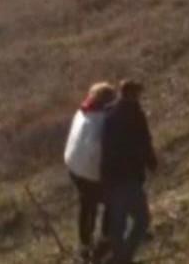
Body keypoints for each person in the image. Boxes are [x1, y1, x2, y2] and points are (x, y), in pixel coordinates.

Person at [101, 80, 158, 264]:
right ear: (132, 94)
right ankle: (123, 258)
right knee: (142, 219)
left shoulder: (108, 114)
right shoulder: (135, 114)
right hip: (129, 175)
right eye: (138, 94)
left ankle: (119, 256)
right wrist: (152, 164)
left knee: (118, 222)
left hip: (110, 177)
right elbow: (144, 141)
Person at [64, 82, 117, 262]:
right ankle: (105, 239)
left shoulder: (81, 113)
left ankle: (84, 245)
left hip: (74, 167)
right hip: (90, 171)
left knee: (87, 204)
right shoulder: (105, 121)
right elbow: (100, 150)